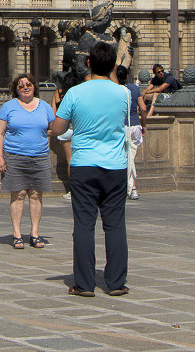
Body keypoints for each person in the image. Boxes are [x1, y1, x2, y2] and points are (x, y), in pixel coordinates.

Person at [51, 41, 131, 297]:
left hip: (84, 164)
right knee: (115, 224)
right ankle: (116, 282)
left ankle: (85, 284)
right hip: (116, 165)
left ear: (88, 63)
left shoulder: (75, 93)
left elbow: (59, 129)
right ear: (113, 66)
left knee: (84, 225)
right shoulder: (124, 93)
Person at [0, 72, 56, 249]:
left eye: (28, 84)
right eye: (21, 86)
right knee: (18, 194)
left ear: (34, 87)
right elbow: (0, 132)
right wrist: (0, 157)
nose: (26, 88)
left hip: (40, 155)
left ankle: (35, 233)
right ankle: (17, 234)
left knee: (36, 195)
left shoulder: (44, 107)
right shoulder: (8, 107)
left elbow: (54, 127)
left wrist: (48, 133)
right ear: (16, 89)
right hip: (14, 156)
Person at [117, 65, 146, 200]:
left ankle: (125, 187)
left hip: (120, 126)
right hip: (135, 125)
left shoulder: (115, 89)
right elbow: (144, 108)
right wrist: (144, 125)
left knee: (123, 158)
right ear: (127, 76)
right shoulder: (134, 88)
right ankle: (133, 188)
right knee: (131, 158)